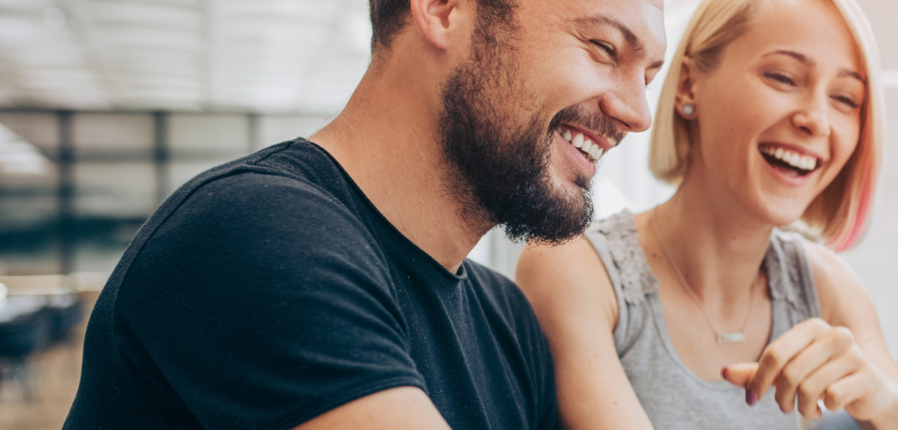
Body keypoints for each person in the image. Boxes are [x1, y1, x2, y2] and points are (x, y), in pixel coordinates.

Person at [62, 0, 666, 428]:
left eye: (649, 76)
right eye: (603, 47)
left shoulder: (507, 324)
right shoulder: (253, 234)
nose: (638, 113)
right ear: (443, 8)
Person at [514, 0, 898, 428]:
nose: (817, 120)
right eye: (783, 77)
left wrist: (885, 400)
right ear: (688, 86)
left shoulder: (826, 286)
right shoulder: (574, 267)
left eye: (844, 98)